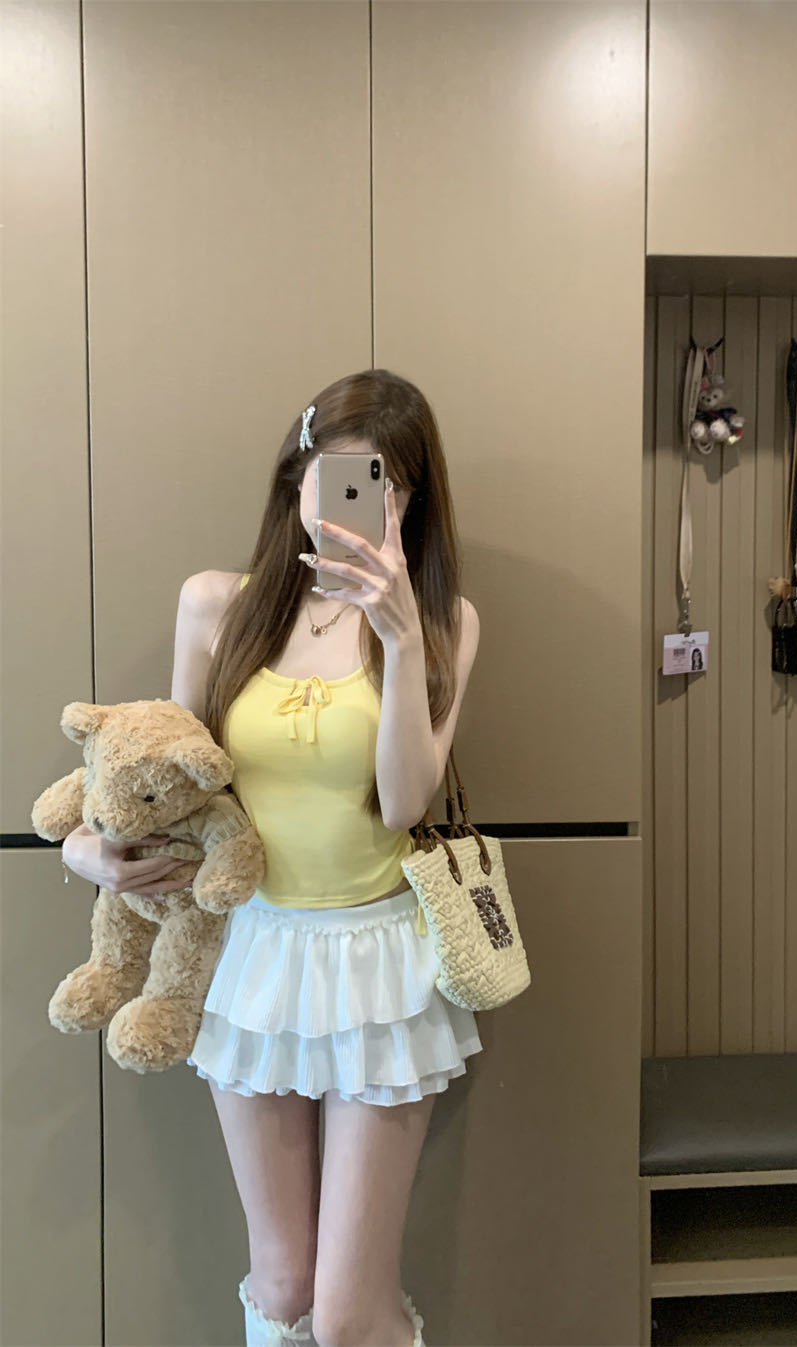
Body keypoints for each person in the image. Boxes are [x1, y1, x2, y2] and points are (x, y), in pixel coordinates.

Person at [61, 368, 484, 1347]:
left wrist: (401, 642)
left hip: (378, 960)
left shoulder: (443, 622)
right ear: (294, 478)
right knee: (285, 1285)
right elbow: (159, 773)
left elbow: (405, 804)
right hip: (250, 951)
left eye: (380, 485)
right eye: (331, 478)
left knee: (345, 1315)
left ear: (411, 500)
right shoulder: (218, 605)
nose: (351, 506)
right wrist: (88, 847)